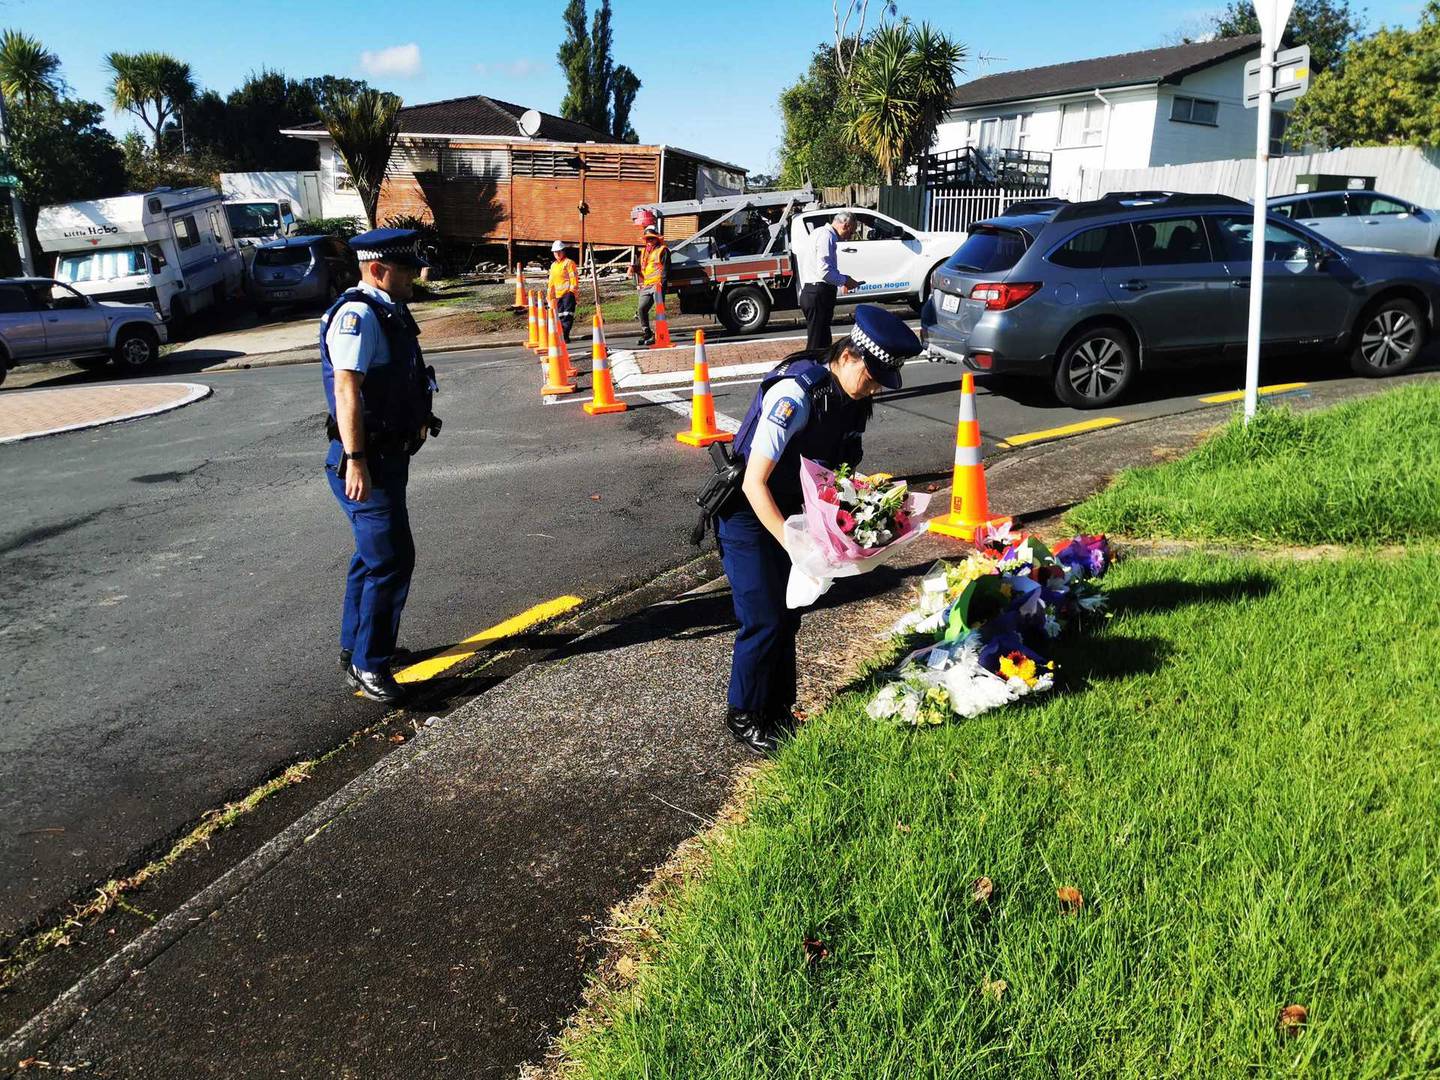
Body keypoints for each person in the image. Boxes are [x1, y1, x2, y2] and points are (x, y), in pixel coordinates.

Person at [715, 305, 921, 753]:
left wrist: (865, 513)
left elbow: (835, 473)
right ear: (848, 357)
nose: (874, 389)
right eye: (871, 378)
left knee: (788, 616)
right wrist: (795, 545)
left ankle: (779, 710)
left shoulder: (850, 401)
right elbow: (754, 481)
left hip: (794, 513)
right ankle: (745, 714)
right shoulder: (796, 393)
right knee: (765, 618)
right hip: (749, 515)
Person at [320, 228, 439, 704]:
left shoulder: (388, 310)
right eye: (407, 270)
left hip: (385, 458)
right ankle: (370, 665)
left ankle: (357, 648)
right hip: (367, 462)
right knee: (391, 560)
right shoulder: (358, 316)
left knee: (372, 557)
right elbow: (347, 390)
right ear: (378, 269)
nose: (415, 277)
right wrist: (356, 460)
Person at [800, 211, 864, 352]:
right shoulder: (826, 236)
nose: (849, 237)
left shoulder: (819, 233)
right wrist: (845, 280)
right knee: (816, 345)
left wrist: (843, 280)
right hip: (818, 293)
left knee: (822, 342)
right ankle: (809, 371)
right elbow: (824, 271)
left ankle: (820, 371)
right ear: (846, 225)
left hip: (813, 291)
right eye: (851, 232)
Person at [633, 224, 670, 346]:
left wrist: (662, 285)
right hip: (647, 285)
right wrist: (632, 268)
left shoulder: (663, 250)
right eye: (647, 239)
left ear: (657, 238)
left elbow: (666, 270)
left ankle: (659, 335)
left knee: (659, 311)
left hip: (657, 285)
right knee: (641, 308)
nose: (649, 241)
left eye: (651, 238)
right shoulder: (644, 251)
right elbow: (639, 266)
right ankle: (647, 332)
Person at [548, 239, 580, 343]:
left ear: (563, 251)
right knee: (560, 316)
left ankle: (564, 336)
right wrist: (550, 295)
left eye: (559, 251)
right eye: (555, 252)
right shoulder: (553, 266)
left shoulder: (569, 263)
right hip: (558, 296)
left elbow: (573, 278)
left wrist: (572, 291)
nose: (557, 254)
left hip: (568, 294)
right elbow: (551, 282)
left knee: (567, 316)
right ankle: (562, 336)